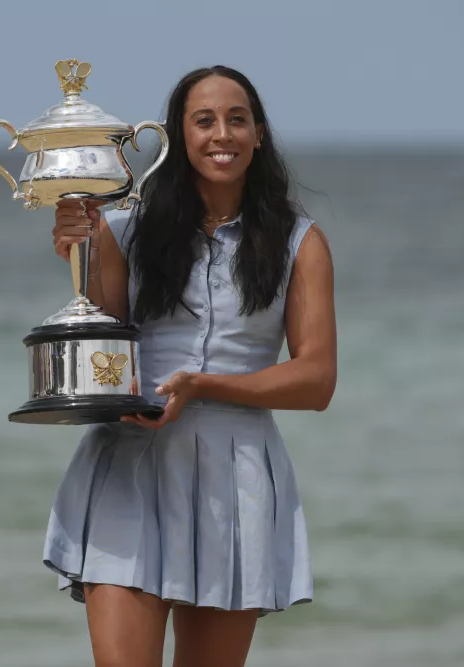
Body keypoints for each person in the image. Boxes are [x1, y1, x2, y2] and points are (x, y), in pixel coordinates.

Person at [44, 65, 337, 667]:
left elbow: (316, 380)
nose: (221, 133)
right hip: (129, 468)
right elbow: (105, 341)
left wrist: (203, 385)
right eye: (203, 120)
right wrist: (81, 251)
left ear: (259, 135)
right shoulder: (125, 232)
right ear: (178, 137)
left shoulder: (299, 243)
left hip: (237, 484)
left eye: (237, 119)